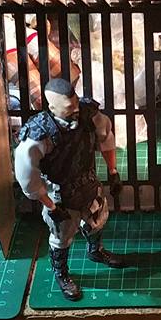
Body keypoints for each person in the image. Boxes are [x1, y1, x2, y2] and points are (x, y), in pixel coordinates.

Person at [13, 78, 125, 301]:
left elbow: (106, 138)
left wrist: (113, 171)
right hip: (60, 194)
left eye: (75, 104)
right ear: (52, 107)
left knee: (97, 220)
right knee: (62, 236)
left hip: (88, 182)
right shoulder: (39, 134)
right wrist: (50, 206)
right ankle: (61, 273)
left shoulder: (88, 115)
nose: (75, 111)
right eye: (68, 107)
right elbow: (27, 176)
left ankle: (96, 251)